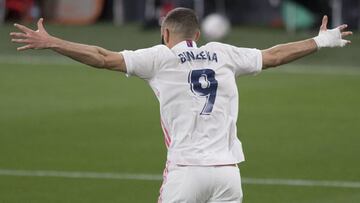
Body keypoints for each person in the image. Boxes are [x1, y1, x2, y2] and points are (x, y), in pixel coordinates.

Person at [10, 7, 352, 203]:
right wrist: (322, 40)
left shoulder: (160, 57)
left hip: (186, 173)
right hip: (228, 174)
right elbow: (275, 55)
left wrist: (53, 41)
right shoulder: (222, 53)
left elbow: (101, 57)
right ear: (198, 35)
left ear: (164, 33)